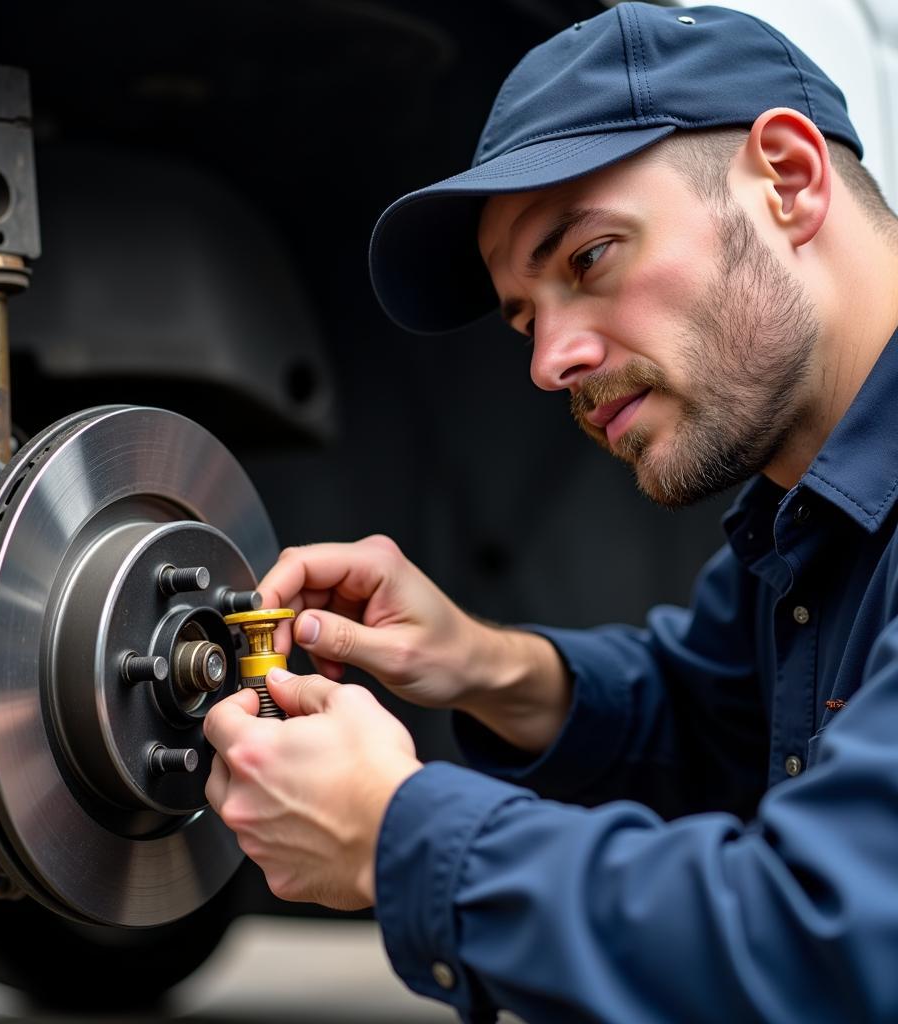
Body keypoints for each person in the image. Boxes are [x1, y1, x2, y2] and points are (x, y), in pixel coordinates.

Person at [204, 4, 898, 1021]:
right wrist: (486, 667)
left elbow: (823, 945)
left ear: (788, 179)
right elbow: (716, 723)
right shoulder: (802, 518)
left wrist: (393, 833)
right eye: (525, 317)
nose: (547, 361)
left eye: (587, 259)